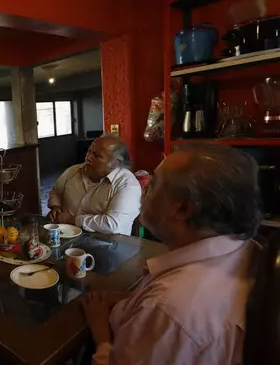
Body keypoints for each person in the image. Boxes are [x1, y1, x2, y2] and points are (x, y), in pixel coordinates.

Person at [82, 144, 262, 365]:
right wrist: (131, 300)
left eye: (154, 183)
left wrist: (100, 334)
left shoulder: (168, 310)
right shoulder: (243, 247)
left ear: (183, 209)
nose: (145, 188)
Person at [47, 134, 141, 235]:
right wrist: (55, 207)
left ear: (115, 163)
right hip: (67, 236)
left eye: (97, 156)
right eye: (89, 151)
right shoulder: (73, 171)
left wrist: (72, 219)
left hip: (109, 245)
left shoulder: (127, 185)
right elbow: (57, 191)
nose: (88, 157)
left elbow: (112, 224)